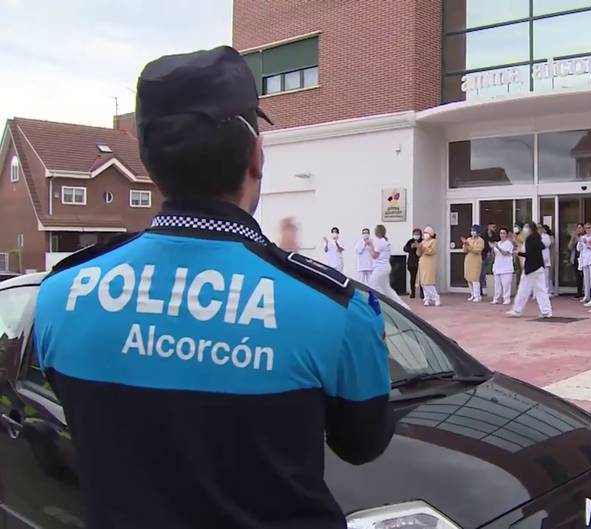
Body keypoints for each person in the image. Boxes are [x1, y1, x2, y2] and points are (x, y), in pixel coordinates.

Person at [32, 46, 393, 529]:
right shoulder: (334, 310)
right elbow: (364, 445)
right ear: (255, 155)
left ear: (147, 160)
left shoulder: (60, 296)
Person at [507, 222, 552, 318]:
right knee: (541, 290)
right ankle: (546, 311)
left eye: (526, 228)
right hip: (539, 267)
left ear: (530, 229)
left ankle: (517, 310)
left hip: (531, 268)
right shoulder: (537, 237)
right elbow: (542, 247)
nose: (524, 230)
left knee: (523, 289)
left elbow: (529, 254)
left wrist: (518, 253)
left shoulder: (529, 239)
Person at [368, 224, 407, 307]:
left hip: (380, 268)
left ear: (377, 232)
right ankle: (402, 305)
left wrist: (370, 246)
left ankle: (382, 304)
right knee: (387, 288)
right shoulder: (384, 241)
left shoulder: (380, 242)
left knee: (373, 284)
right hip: (385, 267)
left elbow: (375, 256)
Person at [417, 226, 440, 306]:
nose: (425, 234)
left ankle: (436, 297)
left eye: (427, 233)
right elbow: (418, 253)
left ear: (430, 234)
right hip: (422, 263)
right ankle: (427, 299)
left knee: (428, 282)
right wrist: (419, 248)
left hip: (429, 264)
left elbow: (431, 251)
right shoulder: (423, 242)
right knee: (423, 283)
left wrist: (423, 248)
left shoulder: (433, 241)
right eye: (424, 233)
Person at [491, 227, 515, 305]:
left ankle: (506, 299)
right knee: (497, 285)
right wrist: (492, 248)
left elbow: (505, 253)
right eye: (501, 233)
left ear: (507, 234)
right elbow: (494, 255)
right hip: (497, 266)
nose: (502, 235)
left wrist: (497, 247)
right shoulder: (498, 243)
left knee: (506, 285)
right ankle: (496, 298)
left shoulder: (509, 243)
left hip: (506, 268)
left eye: (504, 233)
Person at [462, 224, 485, 302]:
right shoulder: (469, 239)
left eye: (474, 231)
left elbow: (477, 250)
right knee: (469, 278)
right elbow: (465, 250)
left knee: (475, 279)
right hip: (468, 260)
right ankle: (472, 294)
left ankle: (477, 296)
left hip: (476, 260)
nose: (473, 232)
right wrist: (465, 244)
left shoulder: (481, 240)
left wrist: (469, 246)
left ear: (478, 232)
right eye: (472, 230)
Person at [579, 222, 591, 306]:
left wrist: (587, 243)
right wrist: (580, 243)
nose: (588, 229)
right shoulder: (582, 237)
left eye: (589, 227)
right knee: (586, 279)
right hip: (585, 259)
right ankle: (587, 296)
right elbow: (579, 249)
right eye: (586, 228)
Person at [403, 228, 423, 299]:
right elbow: (405, 248)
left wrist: (419, 246)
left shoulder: (423, 241)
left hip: (420, 262)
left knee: (421, 279)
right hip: (411, 262)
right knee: (413, 278)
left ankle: (422, 293)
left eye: (418, 234)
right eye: (415, 234)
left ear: (420, 234)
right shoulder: (410, 241)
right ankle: (413, 293)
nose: (416, 235)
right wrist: (411, 247)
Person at [569, 223, 585, 298]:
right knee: (578, 275)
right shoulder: (574, 236)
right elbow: (569, 247)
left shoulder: (585, 237)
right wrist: (573, 238)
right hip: (575, 257)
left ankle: (587, 291)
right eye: (578, 228)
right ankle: (579, 291)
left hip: (583, 258)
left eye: (580, 228)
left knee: (584, 275)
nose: (579, 229)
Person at [539, 224, 554, 297]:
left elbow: (545, 245)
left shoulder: (546, 236)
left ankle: (547, 292)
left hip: (545, 259)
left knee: (546, 276)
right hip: (537, 260)